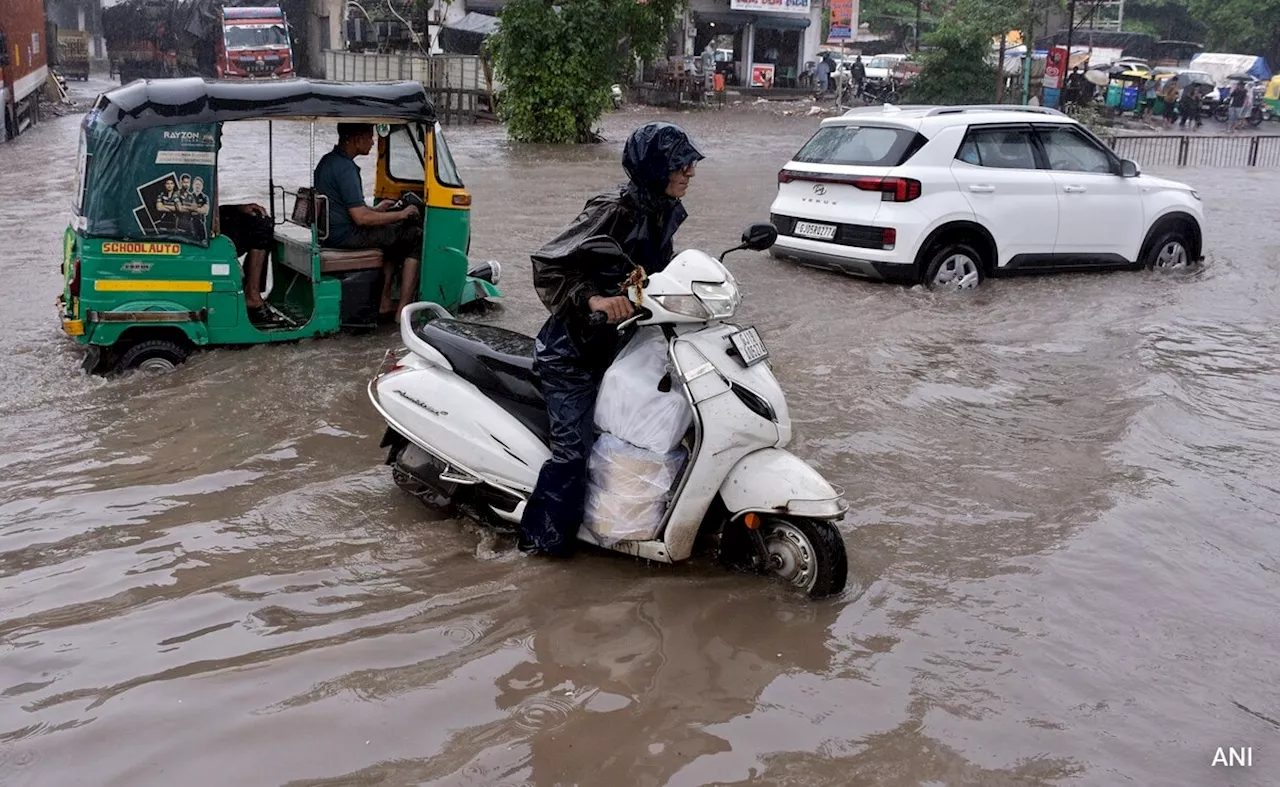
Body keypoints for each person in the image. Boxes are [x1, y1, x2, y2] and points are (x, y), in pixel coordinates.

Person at [516, 122, 703, 557]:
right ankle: (539, 549)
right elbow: (548, 265)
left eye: (691, 163)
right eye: (681, 164)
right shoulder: (612, 210)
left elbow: (659, 275)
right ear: (656, 169)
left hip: (621, 349)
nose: (691, 172)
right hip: (573, 355)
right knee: (573, 455)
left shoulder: (664, 209)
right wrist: (595, 301)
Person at [314, 122, 422, 319]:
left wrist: (377, 210)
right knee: (414, 236)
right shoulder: (346, 169)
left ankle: (385, 300)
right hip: (346, 236)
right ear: (356, 139)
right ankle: (403, 311)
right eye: (370, 137)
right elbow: (361, 219)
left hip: (333, 232)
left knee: (392, 234)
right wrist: (402, 214)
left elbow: (350, 208)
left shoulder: (327, 161)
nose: (373, 143)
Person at [214, 201, 278, 324]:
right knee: (261, 227)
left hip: (198, 218)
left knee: (258, 219)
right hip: (193, 225)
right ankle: (252, 295)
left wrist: (239, 208)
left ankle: (250, 290)